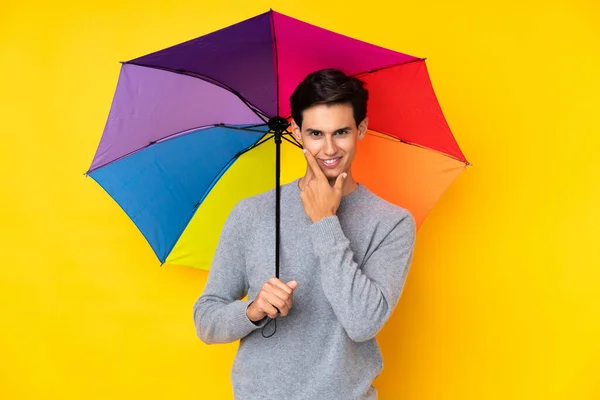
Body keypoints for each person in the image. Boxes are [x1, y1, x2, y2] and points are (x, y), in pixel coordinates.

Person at [193, 68, 416, 400]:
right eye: (315, 133)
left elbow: (362, 323)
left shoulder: (391, 222)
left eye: (341, 132)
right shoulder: (252, 213)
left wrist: (325, 221)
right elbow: (206, 320)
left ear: (362, 129)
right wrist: (252, 310)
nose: (329, 148)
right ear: (296, 131)